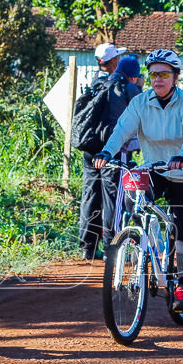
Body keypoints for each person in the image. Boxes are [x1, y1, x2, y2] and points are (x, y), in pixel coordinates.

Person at [94, 49, 183, 311]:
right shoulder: (140, 103)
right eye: (153, 74)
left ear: (175, 77)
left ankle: (181, 288)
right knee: (136, 203)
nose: (158, 79)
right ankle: (142, 243)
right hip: (155, 168)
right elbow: (122, 129)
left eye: (164, 74)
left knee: (181, 230)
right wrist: (106, 152)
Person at [78, 43, 141, 260]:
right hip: (112, 150)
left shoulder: (94, 83)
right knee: (111, 197)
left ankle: (88, 247)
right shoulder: (127, 88)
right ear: (114, 61)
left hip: (89, 147)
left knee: (90, 193)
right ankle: (110, 248)